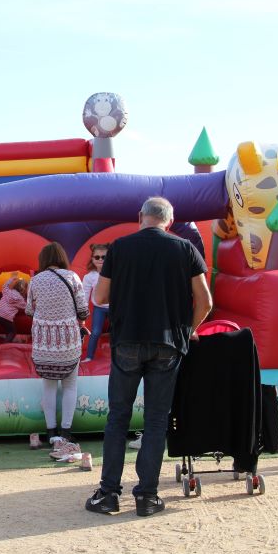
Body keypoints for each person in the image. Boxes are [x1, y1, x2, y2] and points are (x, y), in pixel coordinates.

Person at [86, 197, 212, 517]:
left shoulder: (119, 247)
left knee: (118, 418)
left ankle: (109, 493)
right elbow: (205, 301)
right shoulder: (185, 248)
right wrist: (187, 330)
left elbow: (99, 297)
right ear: (170, 221)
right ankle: (147, 496)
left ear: (140, 216)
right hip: (168, 344)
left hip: (127, 341)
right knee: (156, 421)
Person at [26, 242, 88, 443]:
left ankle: (51, 432)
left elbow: (28, 310)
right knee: (70, 385)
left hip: (44, 341)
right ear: (62, 257)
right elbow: (83, 310)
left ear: (43, 260)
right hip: (68, 340)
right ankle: (66, 432)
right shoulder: (72, 277)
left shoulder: (36, 280)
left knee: (49, 386)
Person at [82, 243, 110, 361]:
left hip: (115, 307)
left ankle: (118, 357)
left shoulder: (116, 272)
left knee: (118, 332)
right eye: (97, 257)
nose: (100, 260)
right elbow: (85, 295)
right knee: (96, 332)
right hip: (99, 307)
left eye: (104, 257)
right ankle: (89, 356)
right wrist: (82, 313)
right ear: (92, 259)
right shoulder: (90, 277)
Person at [0, 273, 28, 343]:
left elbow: (5, 285)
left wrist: (12, 278)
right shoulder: (20, 299)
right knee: (12, 332)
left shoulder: (7, 291)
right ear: (23, 290)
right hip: (6, 317)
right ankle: (5, 345)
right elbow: (26, 307)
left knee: (8, 330)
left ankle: (7, 341)